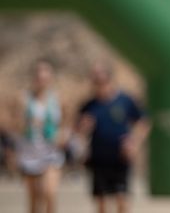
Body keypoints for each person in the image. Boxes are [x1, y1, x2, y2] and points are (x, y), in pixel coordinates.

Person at [74, 62, 149, 213]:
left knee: (122, 199)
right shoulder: (89, 105)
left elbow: (143, 122)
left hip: (120, 158)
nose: (99, 85)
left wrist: (133, 142)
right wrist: (83, 128)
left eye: (102, 81)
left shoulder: (125, 100)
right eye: (95, 81)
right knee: (101, 203)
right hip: (99, 158)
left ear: (110, 80)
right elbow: (77, 131)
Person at [15, 60, 65, 213]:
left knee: (49, 193)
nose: (41, 78)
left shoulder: (58, 98)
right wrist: (27, 122)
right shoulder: (24, 99)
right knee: (34, 200)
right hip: (30, 152)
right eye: (38, 74)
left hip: (51, 152)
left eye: (45, 74)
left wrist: (62, 137)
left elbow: (66, 125)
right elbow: (13, 125)